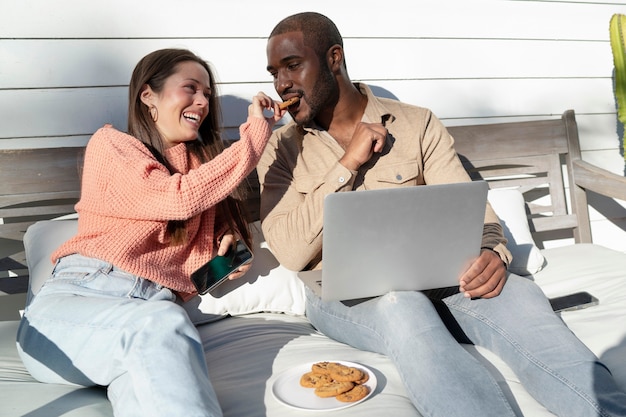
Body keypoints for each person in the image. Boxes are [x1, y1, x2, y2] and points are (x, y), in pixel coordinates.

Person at [258, 12, 626, 417]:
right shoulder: (280, 151)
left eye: (293, 66)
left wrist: (492, 253)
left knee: (519, 296)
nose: (281, 84)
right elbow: (292, 252)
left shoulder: (416, 123)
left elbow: (472, 210)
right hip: (343, 295)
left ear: (333, 58)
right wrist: (346, 164)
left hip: (443, 279)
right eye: (274, 73)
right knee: (403, 306)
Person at [16, 48, 287, 417]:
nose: (202, 102)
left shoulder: (204, 172)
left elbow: (199, 255)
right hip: (76, 310)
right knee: (159, 324)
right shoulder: (112, 145)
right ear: (148, 95)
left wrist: (229, 251)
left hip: (145, 324)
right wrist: (256, 134)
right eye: (190, 88)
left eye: (207, 93)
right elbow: (175, 199)